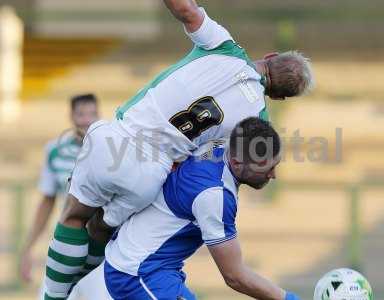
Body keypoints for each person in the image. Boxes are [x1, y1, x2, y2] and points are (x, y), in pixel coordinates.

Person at [43, 1, 314, 299]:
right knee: (99, 230)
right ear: (280, 97)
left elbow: (186, 10)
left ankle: (53, 296)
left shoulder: (224, 46)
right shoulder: (254, 121)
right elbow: (228, 162)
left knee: (73, 218)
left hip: (115, 139)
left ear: (270, 56)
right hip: (149, 174)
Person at [70, 117, 300, 300]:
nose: (273, 174)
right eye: (266, 168)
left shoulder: (215, 144)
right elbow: (234, 276)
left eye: (275, 165)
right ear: (238, 163)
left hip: (141, 261)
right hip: (139, 273)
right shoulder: (214, 196)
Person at [18, 94, 99, 296]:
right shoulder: (55, 150)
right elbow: (47, 201)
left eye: (92, 113)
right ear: (71, 116)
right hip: (66, 242)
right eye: (81, 114)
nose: (87, 120)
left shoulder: (109, 149)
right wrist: (28, 249)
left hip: (101, 243)